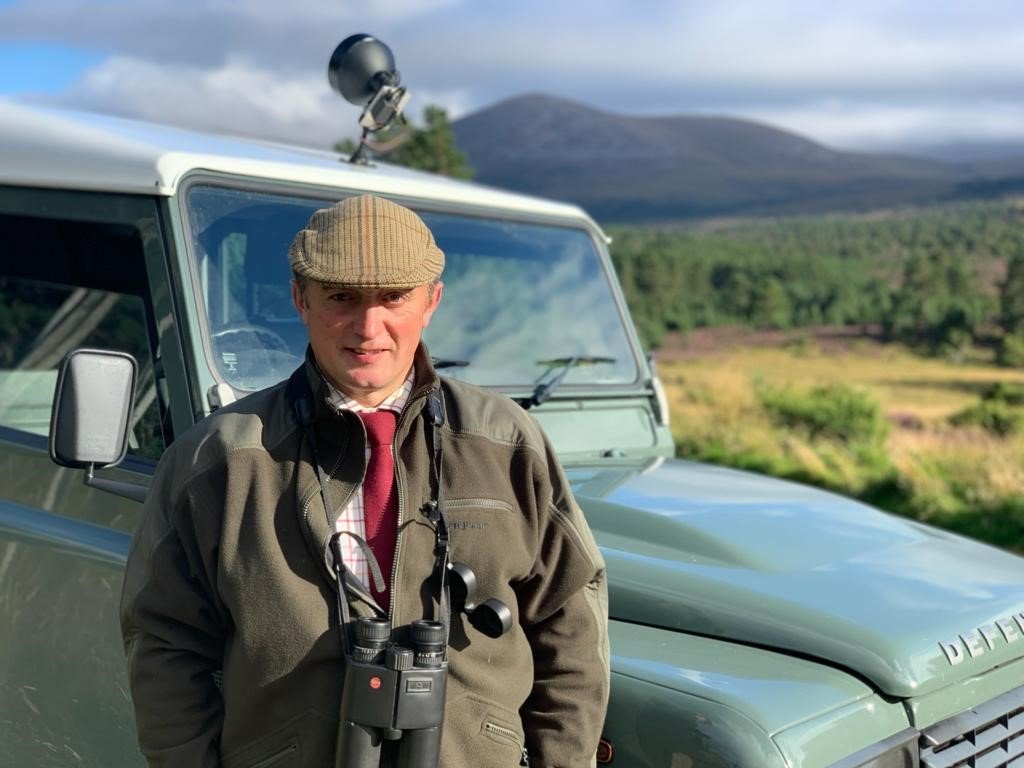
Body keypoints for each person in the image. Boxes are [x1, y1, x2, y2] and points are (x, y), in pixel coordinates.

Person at [120, 194, 610, 768]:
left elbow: (570, 622)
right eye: (342, 298)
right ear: (301, 298)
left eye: (393, 298)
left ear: (432, 301)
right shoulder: (220, 459)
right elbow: (164, 645)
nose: (368, 326)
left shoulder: (506, 444)